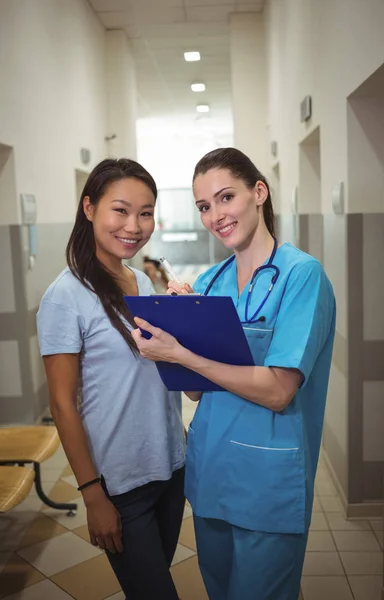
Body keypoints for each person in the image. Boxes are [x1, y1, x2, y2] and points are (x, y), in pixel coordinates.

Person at [131, 147, 336, 600]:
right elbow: (197, 396)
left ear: (258, 192)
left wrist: (184, 354)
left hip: (268, 480)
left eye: (225, 198)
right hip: (211, 474)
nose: (215, 215)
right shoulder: (208, 283)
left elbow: (280, 390)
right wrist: (178, 329)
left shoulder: (302, 276)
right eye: (204, 206)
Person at [36, 158, 185, 600]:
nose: (134, 226)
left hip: (170, 469)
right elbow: (62, 404)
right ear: (89, 208)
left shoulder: (141, 279)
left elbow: (161, 369)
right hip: (119, 484)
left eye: (145, 212)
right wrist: (92, 494)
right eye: (120, 210)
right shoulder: (65, 296)